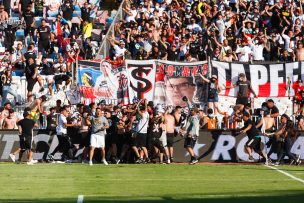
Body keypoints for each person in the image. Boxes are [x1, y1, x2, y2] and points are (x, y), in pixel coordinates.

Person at [132, 99, 149, 163]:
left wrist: (138, 105)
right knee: (143, 146)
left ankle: (139, 157)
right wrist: (145, 102)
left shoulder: (143, 115)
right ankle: (147, 158)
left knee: (134, 146)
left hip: (139, 131)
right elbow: (146, 108)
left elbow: (137, 110)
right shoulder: (147, 114)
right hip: (144, 132)